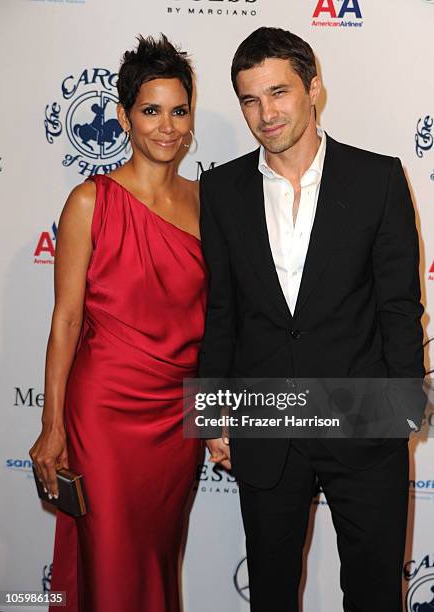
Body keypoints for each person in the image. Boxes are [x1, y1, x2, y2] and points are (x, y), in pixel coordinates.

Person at [198, 27, 425, 612]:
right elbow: (220, 309)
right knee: (270, 594)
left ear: (314, 87)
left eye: (278, 92)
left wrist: (402, 411)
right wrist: (211, 418)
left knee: (374, 594)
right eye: (250, 99)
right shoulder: (221, 190)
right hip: (265, 422)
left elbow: (399, 305)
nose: (265, 113)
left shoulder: (377, 179)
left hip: (364, 425)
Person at [29, 34, 207, 612]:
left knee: (157, 556)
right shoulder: (91, 201)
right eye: (151, 110)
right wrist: (52, 425)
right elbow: (66, 321)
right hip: (102, 413)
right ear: (126, 117)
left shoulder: (210, 204)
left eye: (179, 111)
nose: (167, 126)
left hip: (176, 419)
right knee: (109, 559)